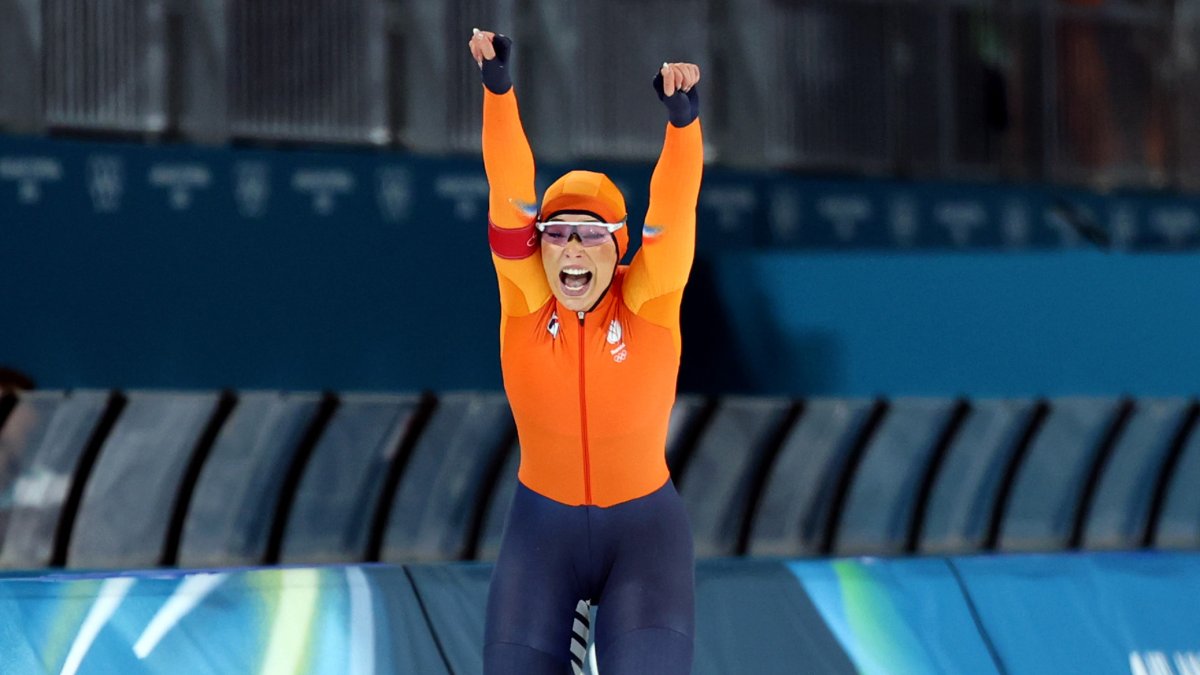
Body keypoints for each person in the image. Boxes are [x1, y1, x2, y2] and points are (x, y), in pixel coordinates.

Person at [469, 28, 703, 675]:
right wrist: (498, 89)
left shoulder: (649, 298)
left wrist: (682, 127)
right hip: (541, 535)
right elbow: (509, 185)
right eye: (559, 234)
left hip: (644, 540)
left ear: (620, 246)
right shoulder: (523, 295)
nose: (571, 251)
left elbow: (675, 213)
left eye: (591, 235)